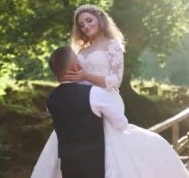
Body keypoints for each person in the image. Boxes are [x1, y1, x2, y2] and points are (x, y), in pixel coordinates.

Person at [32, 4, 189, 178]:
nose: (86, 26)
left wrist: (87, 76)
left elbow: (116, 80)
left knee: (124, 148)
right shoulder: (81, 51)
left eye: (89, 20)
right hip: (81, 104)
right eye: (81, 24)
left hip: (103, 97)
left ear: (100, 18)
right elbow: (73, 74)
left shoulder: (112, 45)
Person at [31, 46, 128, 178]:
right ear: (76, 67)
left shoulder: (51, 100)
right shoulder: (94, 94)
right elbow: (121, 123)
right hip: (96, 165)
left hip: (68, 165)